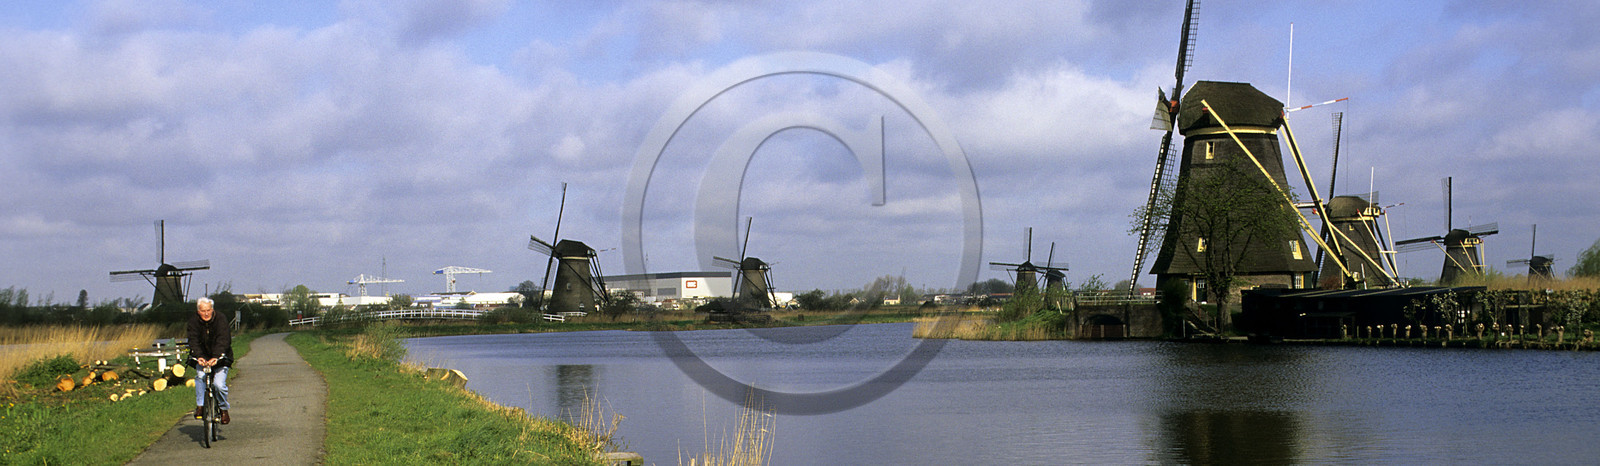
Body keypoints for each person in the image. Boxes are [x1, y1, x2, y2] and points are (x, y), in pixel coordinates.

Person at [188, 297, 233, 424]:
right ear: (198, 311)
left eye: (208, 310)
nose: (206, 313)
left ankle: (223, 409)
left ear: (212, 310)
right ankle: (200, 406)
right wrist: (199, 356)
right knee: (200, 377)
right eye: (203, 311)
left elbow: (224, 339)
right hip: (202, 358)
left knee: (219, 385)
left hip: (220, 357)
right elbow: (193, 340)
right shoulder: (193, 322)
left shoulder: (221, 319)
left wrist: (216, 357)